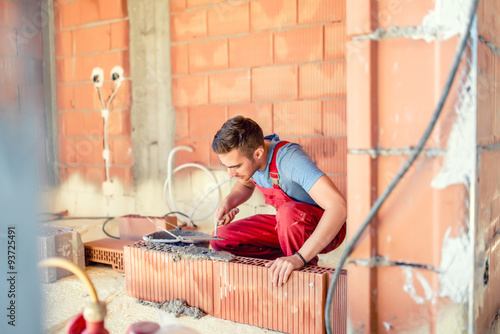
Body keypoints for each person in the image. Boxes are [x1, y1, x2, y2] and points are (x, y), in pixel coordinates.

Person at [211, 116, 346, 287]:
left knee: (287, 213)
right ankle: (279, 269)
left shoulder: (289, 160)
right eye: (227, 166)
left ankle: (304, 281)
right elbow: (245, 185)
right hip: (288, 226)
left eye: (236, 167)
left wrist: (299, 258)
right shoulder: (251, 157)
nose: (230, 174)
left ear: (258, 153)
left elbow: (338, 207)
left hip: (326, 228)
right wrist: (227, 203)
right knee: (220, 239)